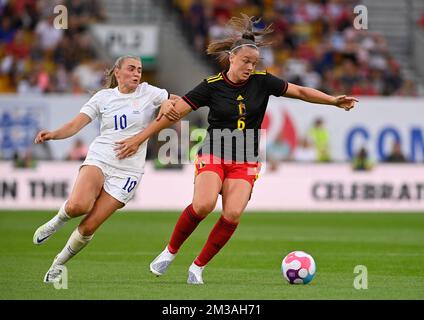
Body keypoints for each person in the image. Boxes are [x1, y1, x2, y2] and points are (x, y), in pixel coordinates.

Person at [115, 15, 358, 285]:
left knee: (232, 214)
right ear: (231, 59)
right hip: (214, 148)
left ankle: (198, 267)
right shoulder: (211, 86)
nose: (250, 67)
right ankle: (170, 252)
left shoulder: (263, 82)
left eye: (254, 63)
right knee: (204, 205)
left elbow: (300, 92)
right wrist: (140, 138)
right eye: (245, 62)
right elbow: (173, 114)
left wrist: (333, 101)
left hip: (246, 156)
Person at [32, 55, 181, 283]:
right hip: (101, 157)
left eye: (139, 70)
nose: (136, 73)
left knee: (90, 225)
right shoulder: (104, 97)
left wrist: (168, 103)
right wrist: (53, 134)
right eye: (131, 69)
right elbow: (75, 124)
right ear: (117, 72)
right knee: (77, 206)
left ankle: (58, 263)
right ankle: (57, 221)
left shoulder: (149, 92)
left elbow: (177, 101)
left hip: (129, 171)